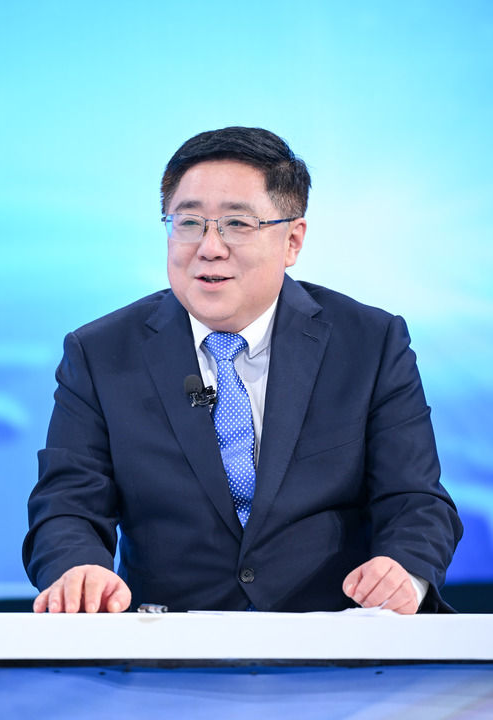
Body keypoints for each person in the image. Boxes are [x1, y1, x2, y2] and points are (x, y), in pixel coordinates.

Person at [23, 126, 462, 615]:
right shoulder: (100, 352)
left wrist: (404, 572)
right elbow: (67, 505)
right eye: (189, 223)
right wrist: (78, 568)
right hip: (166, 645)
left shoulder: (369, 343)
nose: (210, 247)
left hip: (336, 635)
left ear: (293, 240)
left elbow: (415, 500)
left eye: (237, 223)